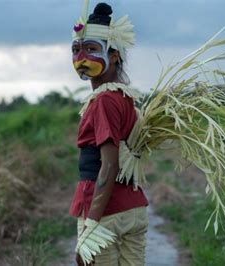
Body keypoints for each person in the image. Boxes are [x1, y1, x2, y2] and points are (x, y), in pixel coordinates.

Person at [68, 2, 149, 265]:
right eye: (76, 50)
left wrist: (90, 228)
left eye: (91, 49)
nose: (81, 58)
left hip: (106, 216)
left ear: (113, 55)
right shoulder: (125, 97)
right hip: (134, 209)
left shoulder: (103, 101)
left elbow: (109, 165)